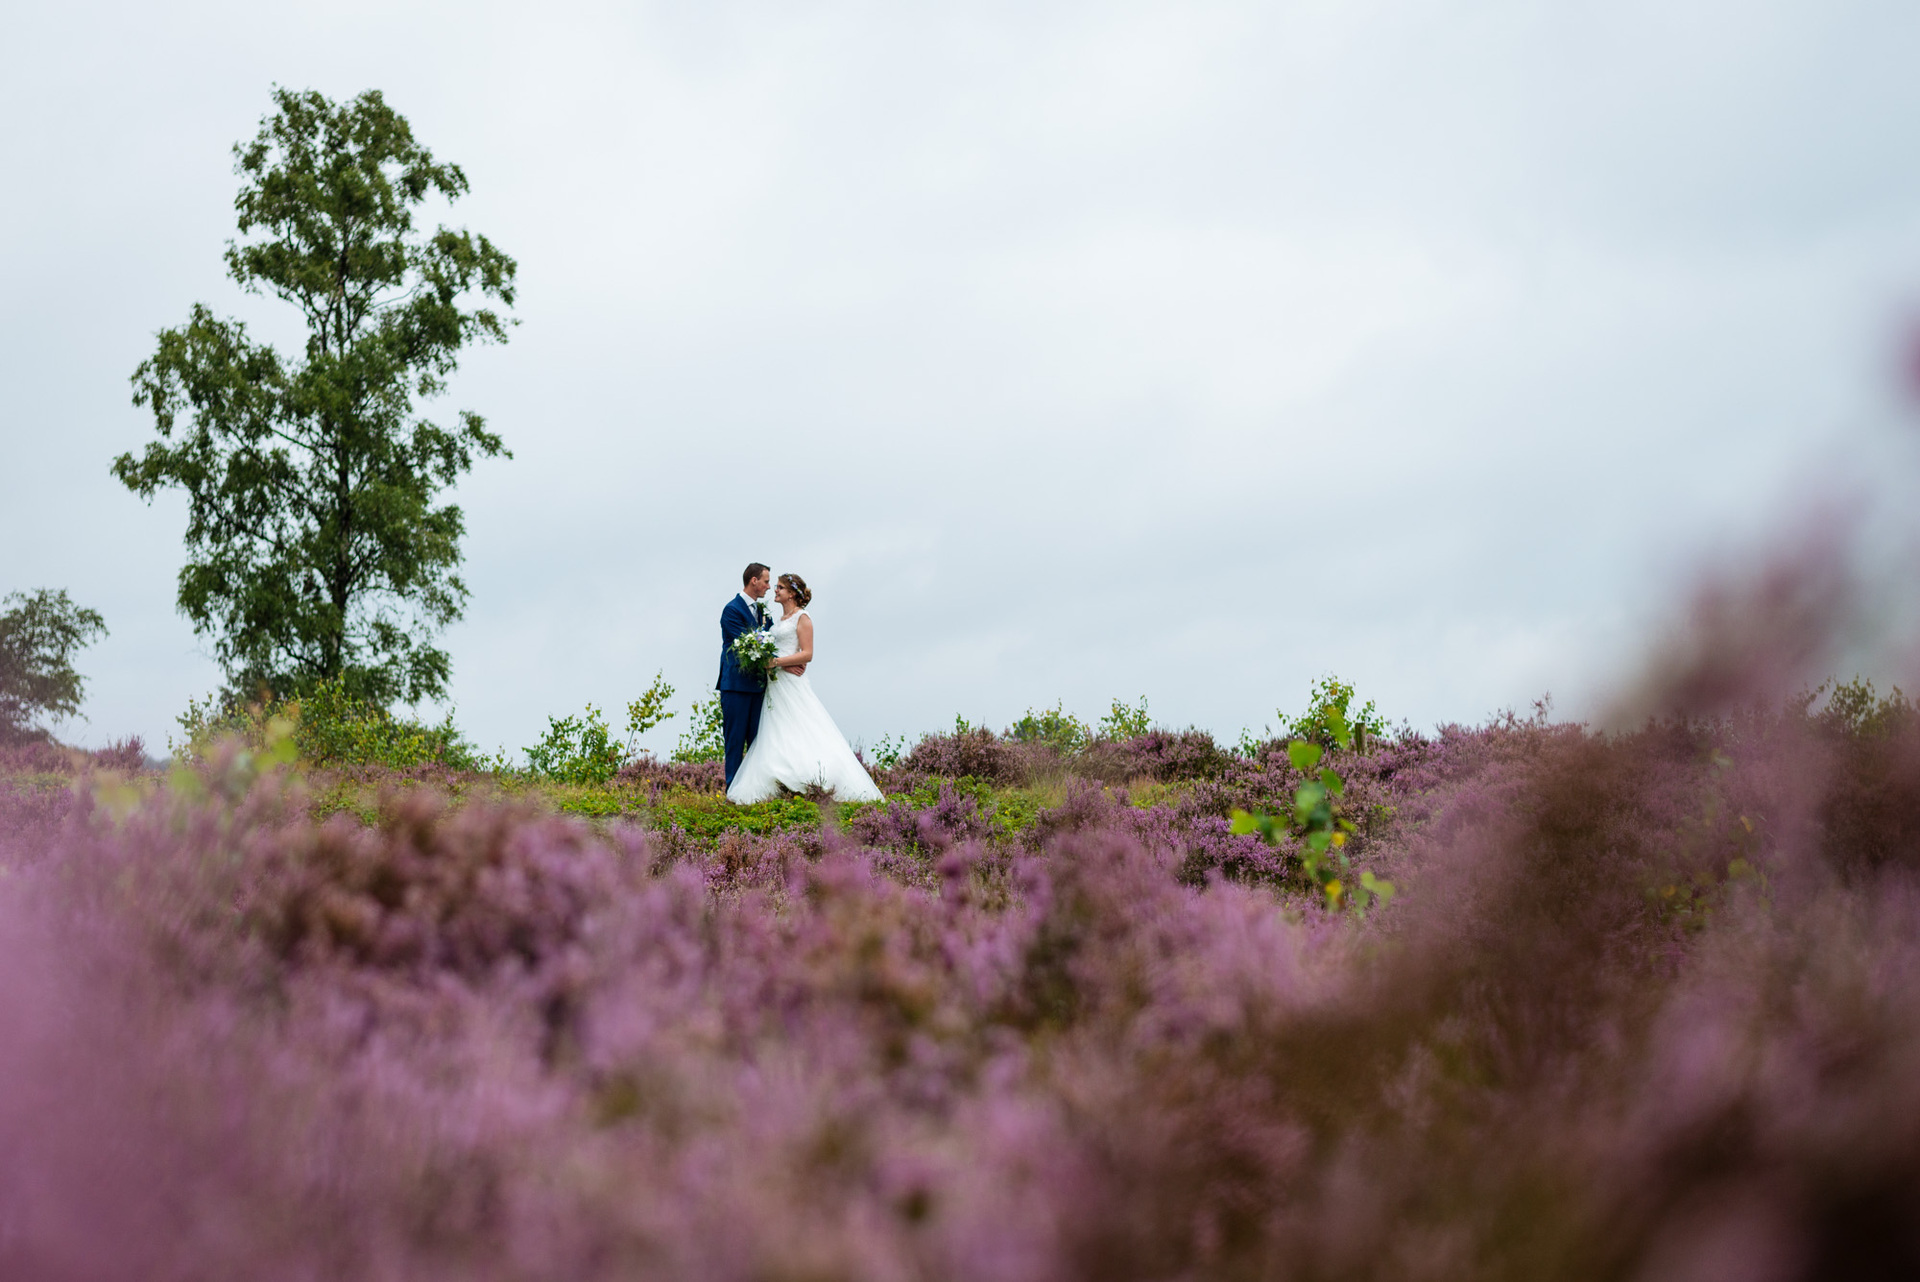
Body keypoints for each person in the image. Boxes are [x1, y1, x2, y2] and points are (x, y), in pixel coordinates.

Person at [726, 573, 883, 804]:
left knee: (801, 726)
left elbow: (807, 654)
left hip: (791, 682)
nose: (774, 590)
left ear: (791, 593)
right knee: (776, 730)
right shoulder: (776, 621)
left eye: (779, 587)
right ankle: (779, 782)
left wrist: (778, 662)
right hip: (774, 683)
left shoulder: (803, 618)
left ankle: (812, 777)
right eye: (774, 586)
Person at [717, 562, 774, 788]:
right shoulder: (731, 610)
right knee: (735, 741)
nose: (769, 587)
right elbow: (748, 646)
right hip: (736, 687)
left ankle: (754, 789)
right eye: (766, 581)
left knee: (757, 742)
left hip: (758, 686)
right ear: (754, 581)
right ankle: (733, 789)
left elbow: (771, 638)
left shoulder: (762, 611)